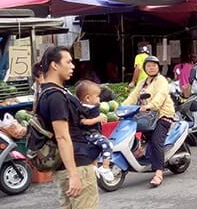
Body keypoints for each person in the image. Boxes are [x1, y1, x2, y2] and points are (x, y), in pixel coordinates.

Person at [31, 46, 98, 209]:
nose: (72, 65)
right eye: (68, 61)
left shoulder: (47, 92)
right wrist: (74, 175)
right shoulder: (56, 97)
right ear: (54, 64)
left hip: (64, 163)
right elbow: (62, 136)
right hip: (75, 162)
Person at [122, 56, 175, 188]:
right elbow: (132, 96)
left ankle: (158, 173)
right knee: (131, 129)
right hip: (147, 117)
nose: (151, 68)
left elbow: (161, 96)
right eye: (148, 66)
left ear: (158, 67)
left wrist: (151, 105)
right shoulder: (142, 83)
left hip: (163, 115)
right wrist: (122, 107)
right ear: (144, 68)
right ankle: (140, 151)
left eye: (154, 65)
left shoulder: (161, 80)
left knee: (156, 141)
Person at [75, 80, 113, 182]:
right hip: (88, 134)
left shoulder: (94, 106)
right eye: (97, 96)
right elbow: (83, 122)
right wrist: (97, 119)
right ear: (87, 98)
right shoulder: (82, 109)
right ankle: (105, 167)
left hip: (95, 132)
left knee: (96, 150)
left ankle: (94, 166)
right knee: (107, 144)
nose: (99, 98)